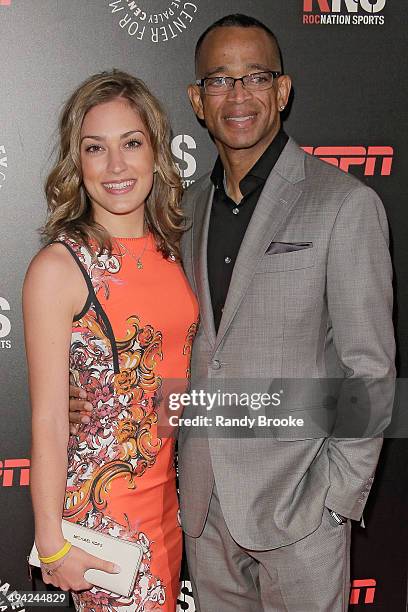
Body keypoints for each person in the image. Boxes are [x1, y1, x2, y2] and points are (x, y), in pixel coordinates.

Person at [69, 14, 395, 612]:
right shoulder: (178, 214)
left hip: (301, 508)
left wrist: (336, 499)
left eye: (255, 78)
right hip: (204, 506)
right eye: (220, 81)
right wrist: (89, 396)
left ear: (283, 89)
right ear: (197, 98)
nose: (238, 97)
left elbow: (369, 368)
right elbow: (151, 334)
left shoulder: (344, 205)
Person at [23, 70, 198, 612]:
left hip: (173, 509)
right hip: (105, 526)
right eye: (96, 148)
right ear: (78, 163)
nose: (116, 166)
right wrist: (51, 544)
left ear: (156, 153)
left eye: (132, 143)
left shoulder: (177, 253)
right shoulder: (61, 266)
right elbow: (50, 418)